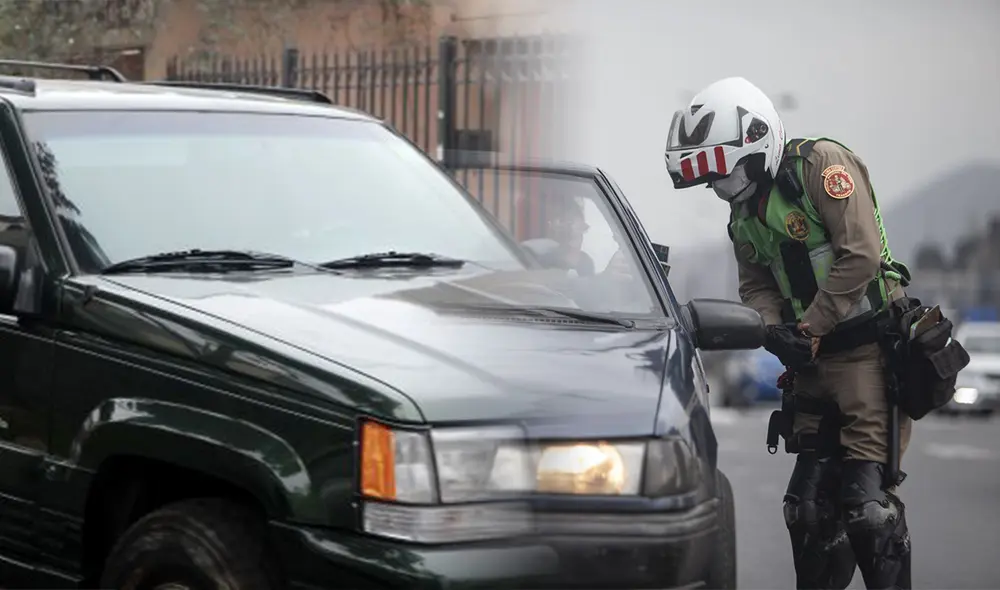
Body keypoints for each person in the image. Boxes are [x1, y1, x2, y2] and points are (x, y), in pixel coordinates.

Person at [663, 77, 913, 590]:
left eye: (724, 174)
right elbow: (755, 284)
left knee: (868, 510)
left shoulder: (821, 166)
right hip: (810, 365)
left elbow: (860, 255)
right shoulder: (743, 212)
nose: (719, 188)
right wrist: (773, 332)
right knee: (806, 511)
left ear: (756, 146)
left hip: (868, 352)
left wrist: (809, 326)